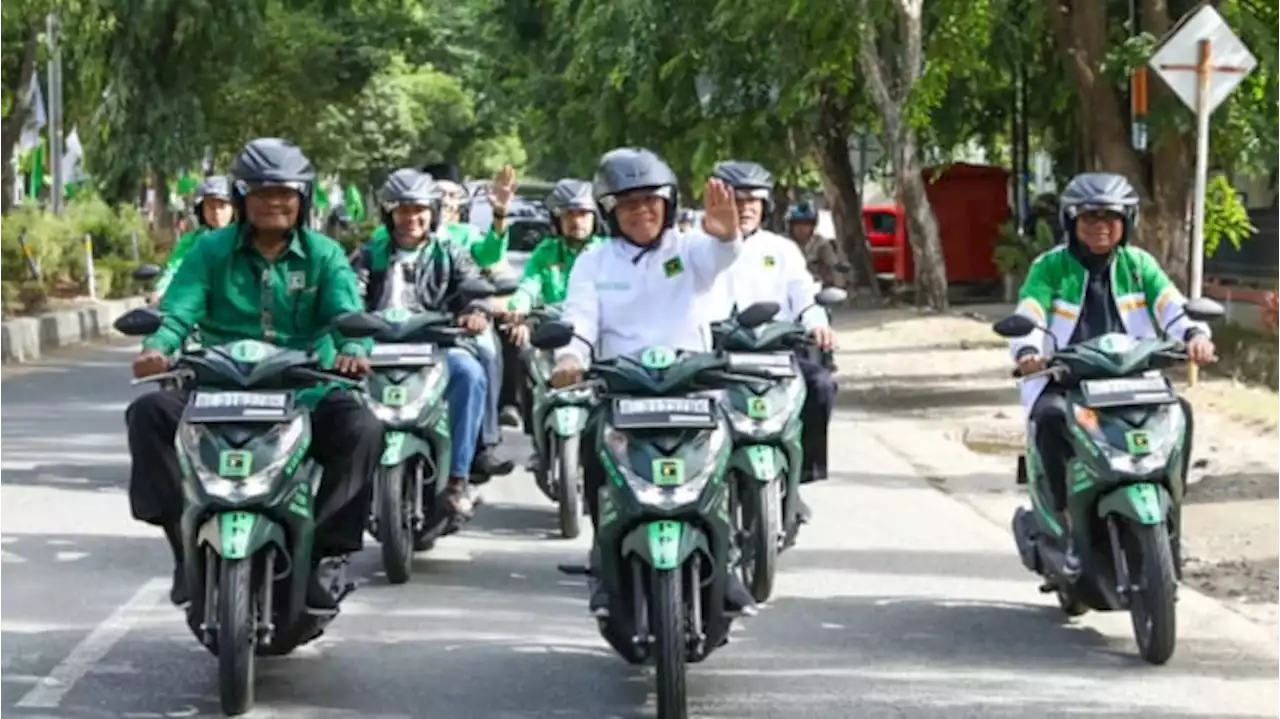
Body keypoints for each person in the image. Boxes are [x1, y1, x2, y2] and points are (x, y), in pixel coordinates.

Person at [125, 138, 381, 609]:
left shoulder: (325, 255)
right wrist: (157, 348)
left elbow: (348, 315)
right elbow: (178, 313)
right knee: (148, 413)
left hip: (304, 389)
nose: (273, 203)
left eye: (284, 193)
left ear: (302, 199)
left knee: (362, 427)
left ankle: (324, 556)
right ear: (242, 198)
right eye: (261, 193)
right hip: (218, 387)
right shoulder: (209, 250)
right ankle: (183, 545)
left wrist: (353, 350)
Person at [547, 147, 758, 617]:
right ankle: (604, 562)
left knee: (729, 456)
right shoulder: (595, 262)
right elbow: (580, 321)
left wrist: (728, 236)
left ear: (669, 203)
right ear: (608, 211)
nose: (641, 211)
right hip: (623, 391)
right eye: (627, 203)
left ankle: (729, 567)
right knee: (592, 451)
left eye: (650, 200)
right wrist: (570, 358)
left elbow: (720, 255)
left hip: (692, 389)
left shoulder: (688, 249)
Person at [1008, 172, 1216, 574]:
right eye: (1089, 218)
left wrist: (1194, 335)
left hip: (1134, 379)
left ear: (1126, 222)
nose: (1100, 226)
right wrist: (1030, 350)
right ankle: (1065, 522)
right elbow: (1030, 311)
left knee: (1181, 414)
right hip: (1068, 381)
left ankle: (1170, 512)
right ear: (1071, 223)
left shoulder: (1139, 265)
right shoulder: (1050, 267)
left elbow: (1172, 307)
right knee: (1048, 419)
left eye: (1110, 217)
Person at [352, 168, 513, 508]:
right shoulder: (371, 252)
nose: (411, 218)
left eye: (419, 209)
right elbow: (352, 293)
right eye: (403, 210)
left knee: (469, 373)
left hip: (435, 347)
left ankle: (458, 478)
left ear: (433, 212)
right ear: (389, 214)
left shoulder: (450, 251)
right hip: (377, 350)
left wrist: (477, 312)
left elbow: (473, 286)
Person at [706, 160, 838, 502]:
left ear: (766, 206)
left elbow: (805, 297)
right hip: (714, 355)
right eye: (737, 200)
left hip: (774, 351)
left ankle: (799, 476)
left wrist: (817, 324)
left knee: (821, 385)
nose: (745, 208)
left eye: (753, 201)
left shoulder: (782, 250)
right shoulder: (697, 248)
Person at [503, 178, 606, 465]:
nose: (576, 221)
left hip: (596, 335)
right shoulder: (545, 252)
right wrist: (518, 309)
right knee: (524, 351)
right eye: (568, 214)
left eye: (583, 213)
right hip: (552, 333)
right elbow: (529, 285)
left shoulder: (605, 251)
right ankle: (536, 439)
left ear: (596, 217)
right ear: (556, 219)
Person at [152, 176, 235, 301]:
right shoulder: (192, 241)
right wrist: (161, 291)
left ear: (234, 208)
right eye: (211, 206)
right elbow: (175, 268)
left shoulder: (245, 238)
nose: (217, 212)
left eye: (222, 205)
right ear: (201, 210)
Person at [786, 202, 845, 288]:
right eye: (797, 224)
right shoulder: (781, 243)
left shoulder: (821, 244)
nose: (801, 228)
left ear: (813, 225)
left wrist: (838, 286)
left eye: (806, 224)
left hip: (814, 288)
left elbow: (833, 265)